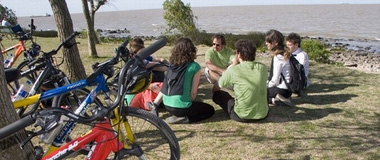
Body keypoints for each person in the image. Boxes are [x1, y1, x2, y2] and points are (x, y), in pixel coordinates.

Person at [149, 37, 215, 124]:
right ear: (192, 50)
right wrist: (191, 101)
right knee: (210, 110)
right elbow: (193, 94)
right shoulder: (194, 67)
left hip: (167, 105)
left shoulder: (172, 65)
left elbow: (165, 86)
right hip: (181, 107)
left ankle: (177, 114)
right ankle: (185, 119)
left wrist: (156, 103)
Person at [212, 39, 269, 122]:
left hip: (241, 115)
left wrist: (234, 64)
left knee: (218, 94)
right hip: (263, 114)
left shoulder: (234, 70)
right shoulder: (263, 68)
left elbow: (216, 87)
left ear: (239, 54)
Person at [124, 37, 168, 114]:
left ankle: (158, 100)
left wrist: (162, 61)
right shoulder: (137, 62)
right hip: (136, 88)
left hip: (138, 88)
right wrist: (172, 67)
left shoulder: (140, 58)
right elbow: (157, 66)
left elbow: (156, 62)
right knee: (159, 75)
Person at [266, 29, 294, 107]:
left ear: (275, 42)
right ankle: (280, 98)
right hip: (288, 89)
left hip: (281, 90)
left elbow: (275, 80)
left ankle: (276, 100)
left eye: (268, 41)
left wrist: (265, 87)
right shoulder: (286, 53)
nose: (266, 43)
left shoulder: (278, 57)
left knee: (255, 94)